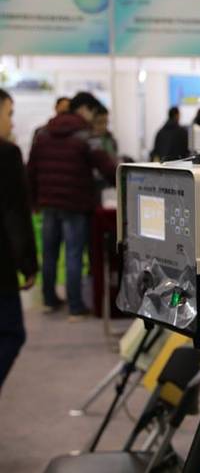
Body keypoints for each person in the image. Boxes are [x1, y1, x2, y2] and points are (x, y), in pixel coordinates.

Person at [27, 92, 117, 320]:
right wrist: (123, 180)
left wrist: (34, 199)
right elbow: (105, 165)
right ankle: (75, 306)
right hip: (75, 203)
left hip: (48, 202)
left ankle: (49, 300)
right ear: (84, 108)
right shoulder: (86, 135)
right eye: (92, 112)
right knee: (74, 254)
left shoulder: (43, 133)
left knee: (49, 254)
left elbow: (31, 169)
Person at [0, 88, 38, 390]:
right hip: (1, 266)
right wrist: (28, 264)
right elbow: (15, 214)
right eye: (8, 114)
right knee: (11, 333)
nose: (11, 122)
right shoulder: (7, 155)